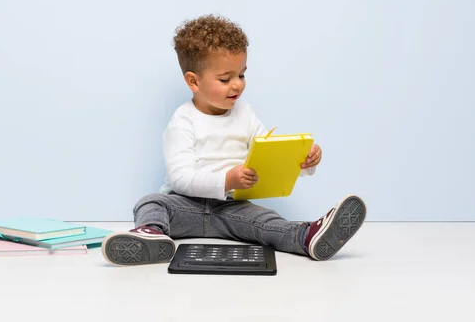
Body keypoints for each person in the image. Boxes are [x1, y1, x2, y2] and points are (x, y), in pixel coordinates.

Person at [101, 15, 366, 266]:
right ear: (193, 81)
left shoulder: (246, 115)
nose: (237, 85)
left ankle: (307, 236)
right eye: (225, 79)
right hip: (185, 208)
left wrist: (304, 160)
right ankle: (151, 235)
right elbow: (179, 176)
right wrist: (226, 180)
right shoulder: (183, 121)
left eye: (241, 74)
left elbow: (270, 157)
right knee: (150, 203)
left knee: (266, 221)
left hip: (232, 208)